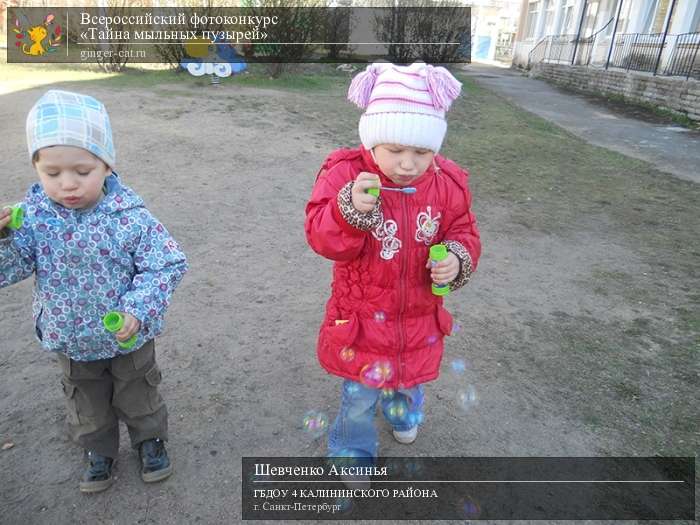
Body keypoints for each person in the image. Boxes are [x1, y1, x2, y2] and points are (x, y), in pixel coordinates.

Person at [0, 90, 188, 493]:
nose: (67, 184)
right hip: (70, 338)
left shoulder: (129, 216)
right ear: (36, 168)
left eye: (82, 171)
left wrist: (137, 309)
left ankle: (149, 441)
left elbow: (167, 261)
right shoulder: (32, 219)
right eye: (52, 173)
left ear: (106, 164)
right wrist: (2, 240)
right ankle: (98, 450)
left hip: (128, 336)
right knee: (85, 401)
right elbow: (10, 270)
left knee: (140, 394)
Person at [305, 62, 481, 464]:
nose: (407, 164)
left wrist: (457, 257)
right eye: (395, 150)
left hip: (419, 316)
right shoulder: (345, 175)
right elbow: (321, 237)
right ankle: (351, 451)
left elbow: (465, 231)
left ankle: (404, 415)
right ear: (372, 140)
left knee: (410, 378)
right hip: (364, 320)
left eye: (422, 151)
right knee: (359, 398)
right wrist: (348, 210)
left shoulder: (447, 183)